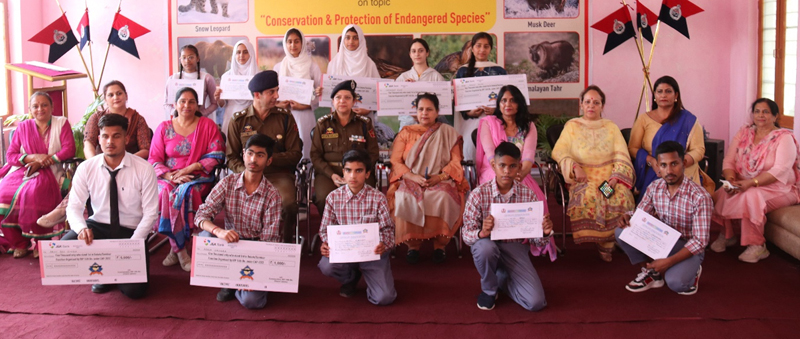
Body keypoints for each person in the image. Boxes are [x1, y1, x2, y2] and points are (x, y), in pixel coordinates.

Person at [62, 114, 158, 299]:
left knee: (134, 292)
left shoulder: (144, 169)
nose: (110, 141)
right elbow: (73, 207)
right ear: (99, 139)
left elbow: (151, 214)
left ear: (126, 139)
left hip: (130, 231)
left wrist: (133, 244)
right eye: (105, 136)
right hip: (98, 227)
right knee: (65, 248)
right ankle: (105, 270)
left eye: (116, 136)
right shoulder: (86, 168)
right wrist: (81, 229)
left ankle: (111, 271)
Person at [37, 80, 151, 227]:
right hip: (101, 163)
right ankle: (64, 210)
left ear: (126, 95)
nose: (115, 97)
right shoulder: (96, 117)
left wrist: (122, 161)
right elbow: (88, 143)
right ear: (105, 99)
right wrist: (96, 163)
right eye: (111, 95)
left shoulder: (137, 119)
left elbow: (145, 149)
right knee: (89, 172)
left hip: (129, 166)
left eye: (119, 93)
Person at [194, 134, 283, 309]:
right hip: (230, 244)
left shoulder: (272, 195)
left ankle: (233, 282)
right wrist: (219, 231)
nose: (253, 159)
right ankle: (230, 278)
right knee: (205, 236)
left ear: (269, 161)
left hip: (255, 250)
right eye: (250, 153)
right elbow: (201, 216)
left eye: (260, 155)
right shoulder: (228, 182)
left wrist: (255, 273)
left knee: (253, 302)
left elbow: (269, 241)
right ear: (243, 154)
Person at [462, 142, 551, 311]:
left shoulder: (528, 195)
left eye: (512, 166)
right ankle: (489, 290)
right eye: (502, 165)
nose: (507, 171)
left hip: (515, 247)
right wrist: (482, 233)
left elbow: (536, 241)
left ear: (519, 167)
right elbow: (466, 235)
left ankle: (502, 279)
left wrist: (544, 233)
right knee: (484, 249)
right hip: (488, 244)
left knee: (535, 302)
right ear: (493, 165)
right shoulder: (478, 194)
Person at [551, 85, 635, 262]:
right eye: (587, 102)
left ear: (602, 106)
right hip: (583, 177)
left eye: (596, 102)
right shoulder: (572, 126)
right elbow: (559, 152)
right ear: (581, 104)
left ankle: (611, 240)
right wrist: (574, 167)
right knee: (590, 196)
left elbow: (622, 156)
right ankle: (604, 242)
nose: (591, 105)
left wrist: (614, 179)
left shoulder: (611, 127)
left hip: (609, 176)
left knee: (622, 196)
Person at [710, 98, 800, 263]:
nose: (761, 115)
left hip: (780, 187)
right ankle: (727, 235)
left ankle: (757, 245)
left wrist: (751, 183)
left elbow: (779, 170)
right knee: (723, 192)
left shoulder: (784, 138)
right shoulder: (744, 133)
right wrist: (731, 179)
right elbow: (729, 160)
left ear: (775, 116)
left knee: (751, 196)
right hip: (746, 182)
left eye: (766, 112)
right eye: (757, 111)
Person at [617, 141, 711, 295]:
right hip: (663, 240)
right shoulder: (655, 187)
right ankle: (652, 272)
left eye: (674, 164)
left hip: (687, 246)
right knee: (623, 231)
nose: (669, 170)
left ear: (684, 164)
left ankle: (693, 271)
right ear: (658, 167)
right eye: (663, 165)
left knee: (677, 284)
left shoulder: (700, 197)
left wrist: (668, 262)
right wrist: (629, 216)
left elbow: (700, 242)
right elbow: (641, 214)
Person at [150, 87, 225, 271]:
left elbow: (217, 154)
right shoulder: (164, 127)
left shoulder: (207, 125)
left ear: (197, 105)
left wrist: (192, 167)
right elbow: (154, 159)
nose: (187, 105)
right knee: (167, 192)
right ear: (175, 105)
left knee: (186, 193)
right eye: (182, 101)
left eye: (192, 102)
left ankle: (175, 249)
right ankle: (181, 251)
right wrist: (169, 175)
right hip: (168, 176)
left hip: (197, 176)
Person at [388, 93, 469, 264]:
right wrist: (413, 177)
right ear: (416, 112)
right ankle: (413, 246)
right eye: (421, 109)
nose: (424, 113)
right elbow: (396, 161)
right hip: (410, 178)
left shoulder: (448, 132)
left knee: (442, 196)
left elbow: (455, 161)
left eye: (429, 109)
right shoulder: (406, 133)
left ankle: (440, 245)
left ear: (437, 111)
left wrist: (439, 177)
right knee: (404, 196)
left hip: (440, 179)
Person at [227, 70, 302, 243]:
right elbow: (231, 157)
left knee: (288, 203)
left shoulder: (285, 118)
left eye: (277, 91)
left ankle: (286, 244)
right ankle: (247, 243)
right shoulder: (238, 120)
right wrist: (248, 171)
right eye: (271, 92)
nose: (277, 96)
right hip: (247, 177)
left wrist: (267, 160)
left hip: (278, 175)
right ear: (257, 95)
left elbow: (295, 153)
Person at [0, 92, 75, 258]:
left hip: (52, 169)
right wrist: (32, 157)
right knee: (3, 193)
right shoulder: (23, 127)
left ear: (52, 107)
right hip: (24, 170)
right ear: (30, 110)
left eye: (44, 105)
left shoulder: (61, 123)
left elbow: (69, 149)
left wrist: (44, 161)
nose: (40, 109)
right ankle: (20, 242)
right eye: (35, 106)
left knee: (34, 193)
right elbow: (11, 155)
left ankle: (40, 241)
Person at [318, 149, 397, 306]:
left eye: (358, 171)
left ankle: (373, 278)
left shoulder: (378, 198)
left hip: (372, 254)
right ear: (343, 172)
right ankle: (351, 277)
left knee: (384, 297)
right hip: (344, 254)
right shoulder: (333, 198)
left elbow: (388, 230)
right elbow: (325, 229)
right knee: (326, 266)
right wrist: (326, 244)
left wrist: (383, 244)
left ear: (367, 174)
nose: (353, 176)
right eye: (348, 170)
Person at [629, 76, 705, 201]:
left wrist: (677, 164)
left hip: (683, 171)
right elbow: (633, 148)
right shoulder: (643, 119)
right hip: (654, 170)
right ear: (654, 95)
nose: (663, 95)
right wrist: (652, 161)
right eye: (660, 91)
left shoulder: (688, 120)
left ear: (676, 95)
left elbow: (699, 150)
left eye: (668, 91)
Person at [311, 80, 379, 216]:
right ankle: (332, 227)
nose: (342, 101)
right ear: (332, 101)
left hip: (358, 172)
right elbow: (315, 155)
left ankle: (360, 228)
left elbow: (373, 153)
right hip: (330, 172)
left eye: (347, 97)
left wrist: (358, 172)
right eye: (338, 97)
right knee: (323, 197)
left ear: (354, 102)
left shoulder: (364, 124)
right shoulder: (323, 124)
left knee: (366, 197)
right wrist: (332, 175)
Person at [476, 85, 547, 212]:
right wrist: (503, 174)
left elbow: (528, 156)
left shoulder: (528, 126)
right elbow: (490, 153)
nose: (508, 104)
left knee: (526, 190)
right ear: (499, 104)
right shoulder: (488, 123)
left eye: (513, 100)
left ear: (519, 103)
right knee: (498, 184)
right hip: (494, 169)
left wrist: (520, 175)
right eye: (504, 100)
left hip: (518, 171)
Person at [327, 24, 394, 145]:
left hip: (364, 117)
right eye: (347, 37)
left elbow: (378, 92)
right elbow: (330, 93)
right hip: (341, 117)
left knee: (364, 149)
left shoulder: (369, 64)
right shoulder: (334, 64)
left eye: (355, 38)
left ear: (361, 40)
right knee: (341, 149)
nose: (351, 41)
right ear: (343, 40)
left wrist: (368, 109)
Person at [455, 32, 506, 162]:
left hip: (494, 121)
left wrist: (496, 110)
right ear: (472, 48)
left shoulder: (499, 71)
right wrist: (469, 112)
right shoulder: (463, 71)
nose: (482, 50)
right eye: (478, 46)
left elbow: (506, 97)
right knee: (470, 154)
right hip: (470, 123)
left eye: (486, 46)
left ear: (490, 49)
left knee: (493, 156)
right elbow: (458, 99)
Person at [274, 28, 324, 158]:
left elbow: (320, 94)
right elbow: (272, 93)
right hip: (283, 116)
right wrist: (279, 104)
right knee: (285, 150)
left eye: (296, 41)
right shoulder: (278, 67)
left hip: (304, 116)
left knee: (305, 150)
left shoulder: (312, 66)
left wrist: (305, 105)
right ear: (285, 43)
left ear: (302, 43)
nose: (293, 45)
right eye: (289, 41)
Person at [395, 38, 447, 129]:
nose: (417, 54)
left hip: (432, 128)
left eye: (421, 51)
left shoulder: (436, 77)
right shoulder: (402, 78)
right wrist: (404, 89)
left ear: (427, 53)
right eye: (413, 51)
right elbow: (395, 105)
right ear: (410, 54)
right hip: (408, 127)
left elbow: (444, 106)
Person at [214, 40, 258, 137]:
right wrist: (219, 98)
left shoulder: (258, 76)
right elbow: (223, 104)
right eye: (238, 52)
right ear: (234, 54)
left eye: (245, 52)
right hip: (231, 116)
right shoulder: (226, 76)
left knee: (251, 144)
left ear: (251, 53)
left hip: (253, 116)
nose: (241, 55)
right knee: (231, 144)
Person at [163, 44, 218, 119]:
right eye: (184, 58)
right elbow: (166, 104)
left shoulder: (207, 78)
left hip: (199, 121)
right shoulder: (173, 78)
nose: (187, 61)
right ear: (180, 59)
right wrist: (176, 112)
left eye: (191, 57)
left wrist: (202, 113)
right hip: (178, 122)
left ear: (197, 58)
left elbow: (214, 103)